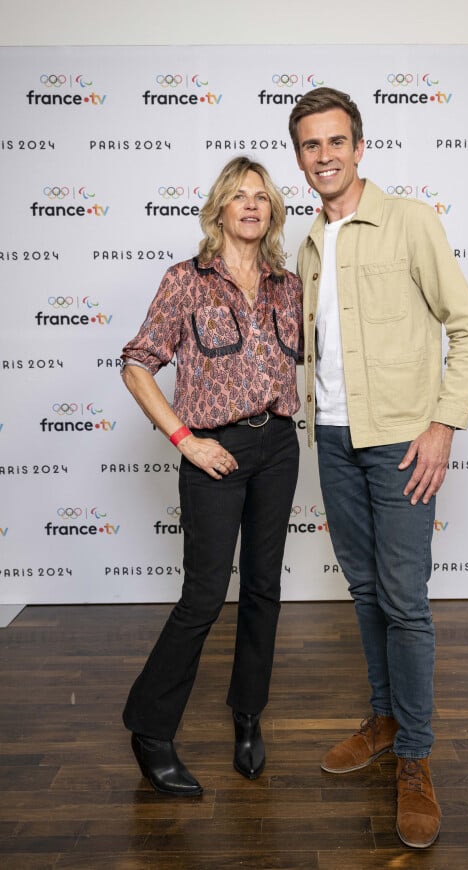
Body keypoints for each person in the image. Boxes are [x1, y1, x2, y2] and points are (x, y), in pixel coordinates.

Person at [289, 88, 468, 848]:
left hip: (403, 440)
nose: (325, 155)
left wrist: (443, 424)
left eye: (336, 141)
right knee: (367, 588)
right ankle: (384, 714)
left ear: (359, 146)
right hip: (333, 440)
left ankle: (415, 758)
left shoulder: (410, 221)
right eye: (311, 145)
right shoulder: (308, 242)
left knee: (405, 600)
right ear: (300, 157)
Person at [121, 156, 302, 796]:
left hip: (279, 446)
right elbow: (138, 363)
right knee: (203, 597)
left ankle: (248, 716)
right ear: (220, 208)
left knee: (262, 590)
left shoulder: (288, 284)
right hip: (214, 451)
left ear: (272, 210)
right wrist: (186, 442)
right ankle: (150, 729)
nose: (251, 205)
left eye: (262, 196)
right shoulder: (185, 281)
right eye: (239, 196)